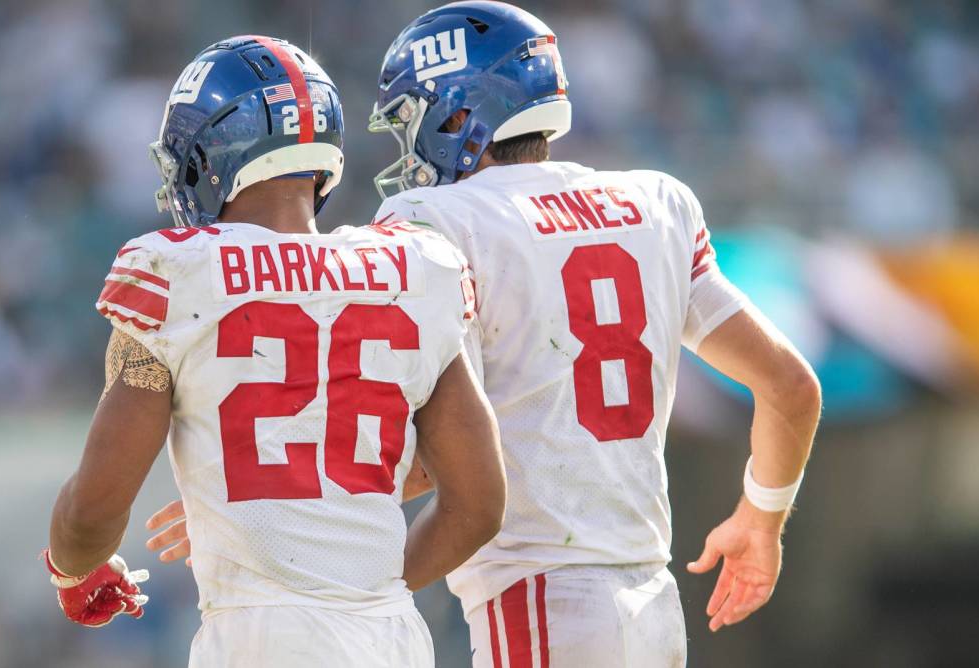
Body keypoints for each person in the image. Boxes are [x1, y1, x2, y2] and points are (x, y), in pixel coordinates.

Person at [149, 4, 821, 666]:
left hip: (538, 599)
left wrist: (274, 495)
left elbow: (441, 456)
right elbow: (791, 387)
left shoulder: (431, 219)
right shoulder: (658, 203)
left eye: (412, 119)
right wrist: (761, 518)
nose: (409, 145)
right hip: (653, 601)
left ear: (457, 114)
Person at [44, 35, 506, 668]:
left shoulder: (173, 271)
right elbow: (478, 502)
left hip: (258, 639)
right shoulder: (417, 264)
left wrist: (73, 568)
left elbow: (95, 508)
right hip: (390, 638)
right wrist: (354, 593)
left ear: (207, 154)